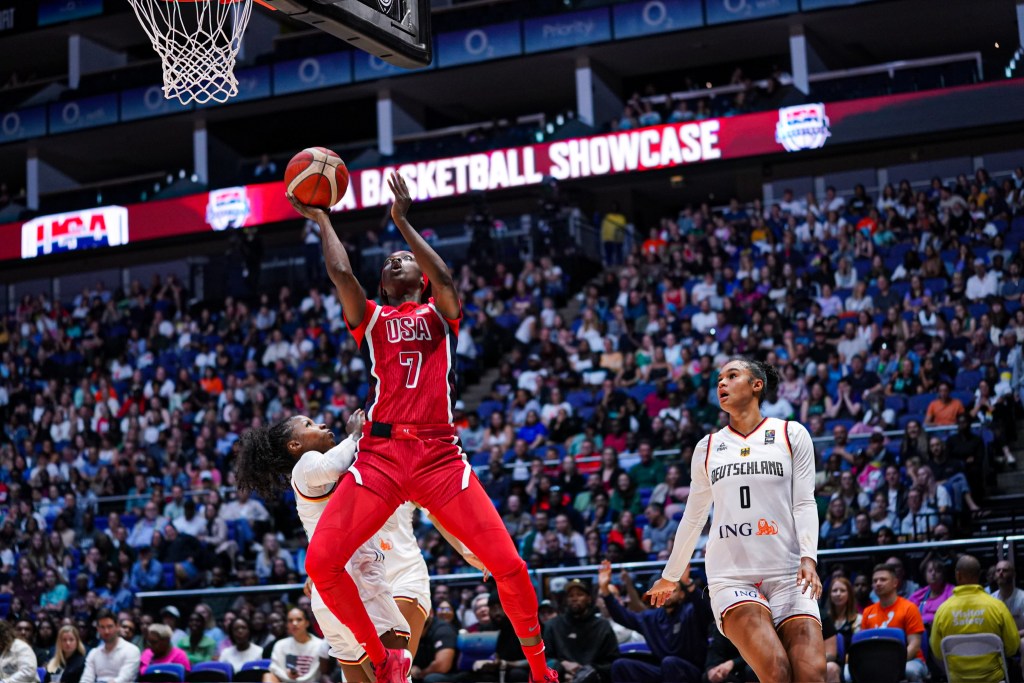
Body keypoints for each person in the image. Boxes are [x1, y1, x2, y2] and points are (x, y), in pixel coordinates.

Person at [289, 173, 557, 683]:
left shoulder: (440, 315)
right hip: (382, 456)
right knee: (320, 564)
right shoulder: (369, 318)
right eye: (388, 261)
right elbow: (343, 275)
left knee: (510, 565)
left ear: (420, 275)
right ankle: (383, 656)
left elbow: (449, 282)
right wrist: (322, 218)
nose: (395, 260)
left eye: (404, 259)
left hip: (438, 456)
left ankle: (542, 672)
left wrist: (404, 222)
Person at [236, 410, 482, 681]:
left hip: (365, 582)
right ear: (294, 445)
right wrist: (357, 433)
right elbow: (331, 467)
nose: (321, 424)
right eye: (309, 424)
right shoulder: (318, 462)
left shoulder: (354, 467)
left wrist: (469, 549)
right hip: (358, 582)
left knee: (376, 673)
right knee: (394, 673)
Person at [648, 358, 824, 683]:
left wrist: (808, 558)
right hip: (732, 577)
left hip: (787, 572)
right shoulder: (709, 446)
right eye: (718, 379)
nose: (721, 384)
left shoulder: (790, 433)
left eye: (732, 376)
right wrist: (671, 576)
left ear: (757, 385)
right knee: (776, 670)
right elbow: (693, 516)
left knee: (812, 674)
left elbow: (804, 502)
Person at [597, 560, 710, 682]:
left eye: (672, 590)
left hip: (692, 672)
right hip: (664, 670)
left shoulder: (691, 612)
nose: (667, 593)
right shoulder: (650, 618)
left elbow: (707, 611)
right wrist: (605, 591)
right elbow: (623, 616)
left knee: (670, 662)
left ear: (682, 594)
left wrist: (687, 583)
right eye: (663, 590)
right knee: (621, 666)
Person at [930, 555, 1019, 682]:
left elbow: (938, 652)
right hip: (993, 679)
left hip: (958, 680)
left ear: (958, 575)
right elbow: (1012, 647)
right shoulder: (997, 606)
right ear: (979, 576)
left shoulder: (943, 610)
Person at [542, 579, 619, 683]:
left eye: (579, 594)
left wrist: (588, 671)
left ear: (589, 599)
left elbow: (612, 661)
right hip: (560, 677)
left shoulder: (602, 626)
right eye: (571, 596)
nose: (575, 599)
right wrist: (562, 665)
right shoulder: (553, 625)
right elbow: (544, 657)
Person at [860, 564, 928, 681]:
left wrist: (892, 663)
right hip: (876, 661)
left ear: (895, 583)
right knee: (848, 672)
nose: (878, 583)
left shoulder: (909, 608)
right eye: (875, 581)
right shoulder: (868, 611)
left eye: (883, 579)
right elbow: (864, 645)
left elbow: (915, 645)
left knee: (910, 671)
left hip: (910, 660)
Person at [81, 609, 141, 683]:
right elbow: (86, 679)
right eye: (102, 627)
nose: (106, 631)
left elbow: (124, 679)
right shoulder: (93, 653)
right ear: (98, 629)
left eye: (110, 627)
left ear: (117, 626)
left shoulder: (132, 650)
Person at [267, 608, 324, 683]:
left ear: (307, 623)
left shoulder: (320, 645)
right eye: (290, 621)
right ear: (287, 625)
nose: (294, 623)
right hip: (286, 681)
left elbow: (315, 676)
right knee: (267, 676)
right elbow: (275, 670)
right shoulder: (280, 645)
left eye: (299, 620)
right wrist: (288, 676)